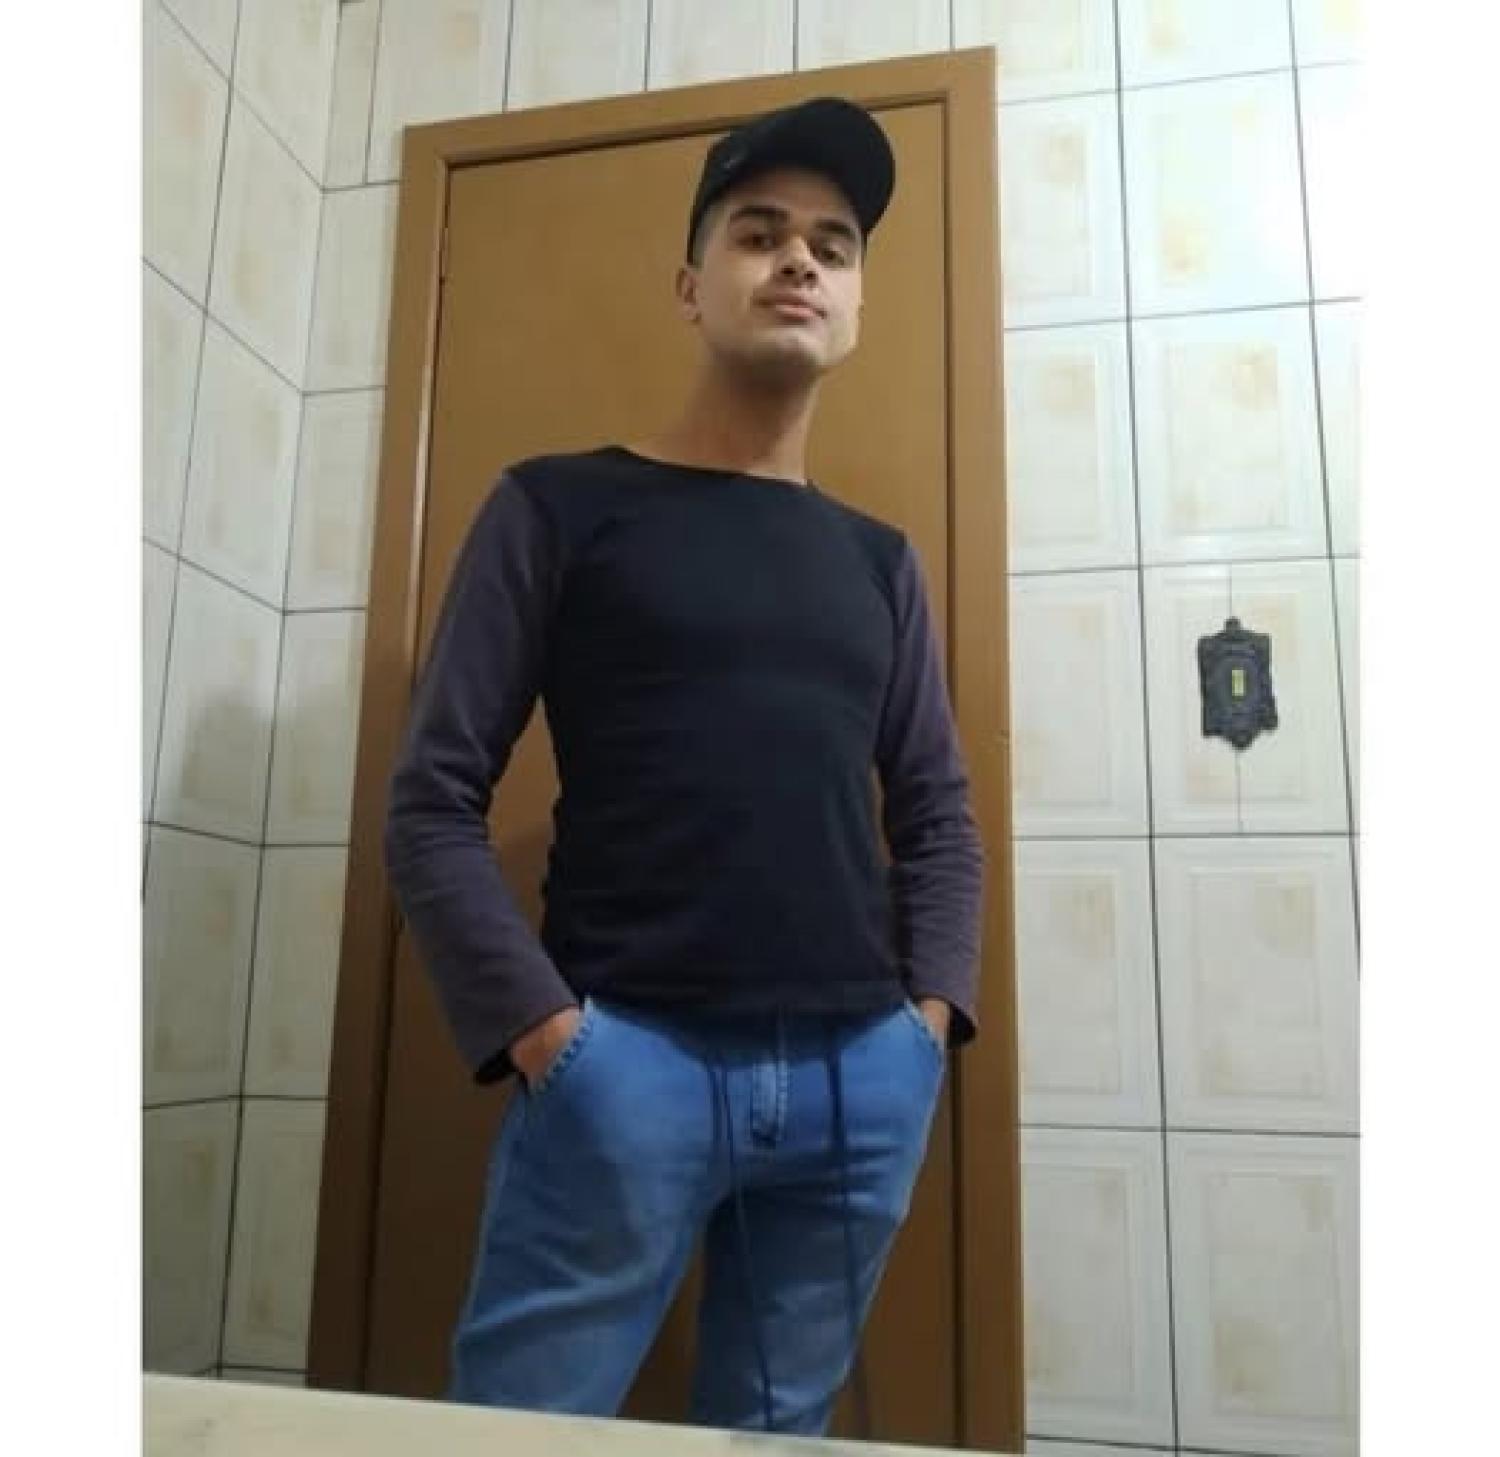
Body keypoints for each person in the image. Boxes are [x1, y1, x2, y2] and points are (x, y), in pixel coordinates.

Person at [383, 95, 985, 1439]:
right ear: (689, 284)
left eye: (833, 244)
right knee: (518, 1436)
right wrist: (550, 1041)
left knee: (775, 1435)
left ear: (856, 303)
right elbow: (430, 800)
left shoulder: (881, 562)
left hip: (862, 1081)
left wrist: (928, 1025)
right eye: (758, 232)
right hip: (620, 1072)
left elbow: (939, 811)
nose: (799, 259)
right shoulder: (556, 507)